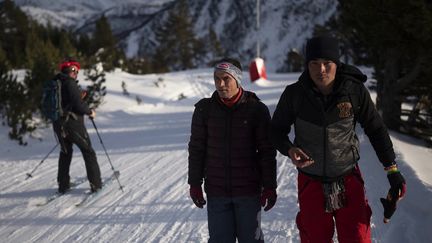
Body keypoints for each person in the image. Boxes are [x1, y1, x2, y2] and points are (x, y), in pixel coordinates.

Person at [270, 36, 407, 243]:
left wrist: (392, 170)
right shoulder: (294, 94)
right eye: (314, 63)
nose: (321, 69)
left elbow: (376, 129)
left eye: (327, 63)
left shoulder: (354, 91)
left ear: (337, 63)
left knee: (357, 238)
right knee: (315, 238)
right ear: (307, 65)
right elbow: (276, 131)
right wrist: (289, 149)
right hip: (310, 182)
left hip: (348, 179)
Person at [188, 58, 277, 243]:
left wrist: (269, 186)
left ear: (237, 79)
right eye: (217, 79)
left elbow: (267, 151)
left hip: (248, 192)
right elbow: (197, 149)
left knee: (250, 240)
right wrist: (194, 183)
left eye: (226, 79)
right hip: (217, 192)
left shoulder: (256, 109)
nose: (220, 84)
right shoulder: (204, 110)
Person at [53, 58, 102, 194]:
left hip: (58, 124)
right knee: (88, 152)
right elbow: (78, 106)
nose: (76, 74)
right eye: (76, 71)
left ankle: (63, 185)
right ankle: (96, 185)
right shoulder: (70, 83)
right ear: (72, 70)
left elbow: (67, 102)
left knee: (65, 152)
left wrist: (78, 97)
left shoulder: (56, 83)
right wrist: (90, 111)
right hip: (73, 124)